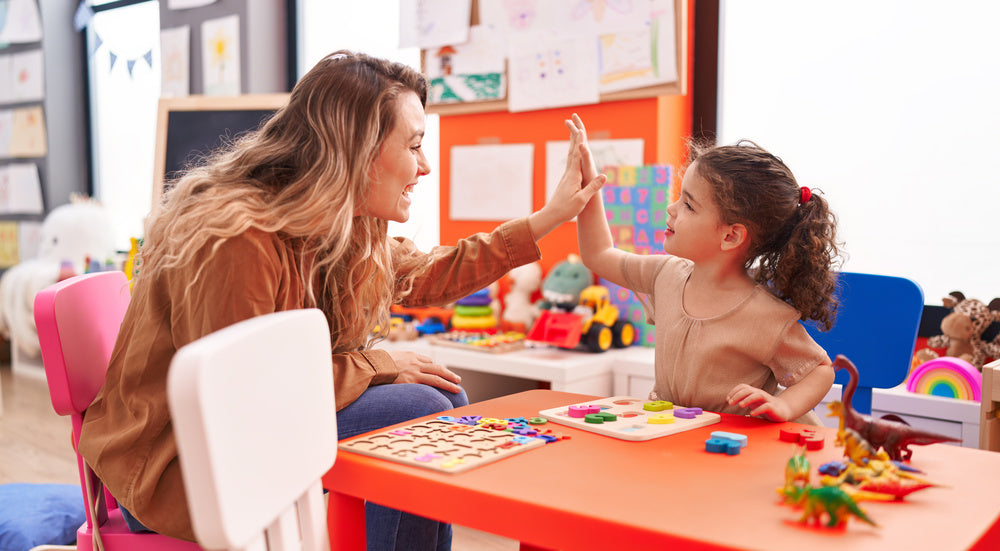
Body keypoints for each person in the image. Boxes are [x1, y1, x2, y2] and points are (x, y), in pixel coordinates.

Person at [76, 51, 604, 550]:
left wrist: (549, 217)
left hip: (248, 433)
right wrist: (380, 364)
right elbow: (242, 395)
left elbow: (426, 273)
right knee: (422, 411)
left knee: (441, 404)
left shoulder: (340, 223)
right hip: (180, 467)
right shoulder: (236, 237)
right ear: (357, 150)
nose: (425, 168)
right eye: (415, 145)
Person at [571, 114, 839, 425]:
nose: (671, 209)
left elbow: (819, 370)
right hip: (675, 437)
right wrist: (587, 184)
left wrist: (785, 406)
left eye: (688, 205)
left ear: (730, 236)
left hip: (735, 450)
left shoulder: (766, 316)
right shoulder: (664, 275)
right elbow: (599, 254)